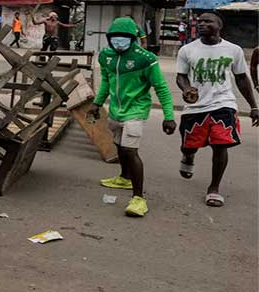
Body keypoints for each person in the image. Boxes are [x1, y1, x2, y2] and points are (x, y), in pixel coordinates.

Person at [88, 17, 176, 218]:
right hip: (116, 110)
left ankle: (139, 198)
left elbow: (161, 88)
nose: (119, 42)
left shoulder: (145, 58)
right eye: (115, 38)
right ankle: (124, 177)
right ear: (109, 39)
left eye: (124, 38)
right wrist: (97, 104)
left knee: (130, 150)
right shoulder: (106, 56)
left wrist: (169, 116)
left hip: (136, 109)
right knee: (119, 144)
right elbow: (106, 82)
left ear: (133, 38)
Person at [175, 12, 259, 208]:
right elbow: (181, 76)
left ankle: (214, 188)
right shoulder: (187, 50)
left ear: (219, 25)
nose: (202, 24)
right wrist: (186, 88)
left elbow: (241, 78)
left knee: (221, 144)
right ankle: (188, 156)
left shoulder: (233, 49)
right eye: (200, 21)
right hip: (195, 107)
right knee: (189, 145)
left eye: (208, 21)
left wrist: (253, 106)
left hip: (224, 104)